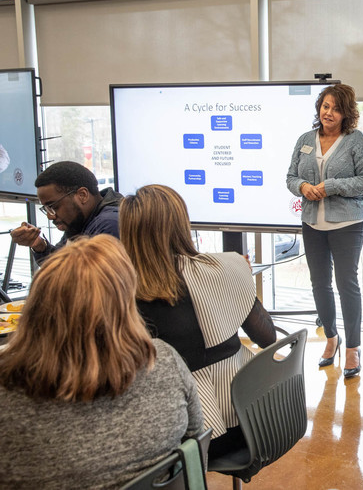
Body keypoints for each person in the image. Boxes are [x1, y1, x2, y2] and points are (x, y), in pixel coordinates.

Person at [0, 235, 204, 489]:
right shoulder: (162, 361)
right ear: (125, 305)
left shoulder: (8, 394)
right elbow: (196, 447)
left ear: (36, 307)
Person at [119, 184, 277, 459]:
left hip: (191, 437)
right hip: (257, 415)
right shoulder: (227, 266)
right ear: (181, 223)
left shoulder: (123, 294)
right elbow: (267, 338)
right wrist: (240, 280)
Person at [286, 83, 363, 379]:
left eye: (336, 108)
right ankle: (331, 338)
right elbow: (291, 176)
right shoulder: (304, 139)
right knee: (319, 284)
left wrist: (332, 186)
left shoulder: (355, 140)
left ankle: (353, 347)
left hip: (347, 224)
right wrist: (302, 187)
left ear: (346, 113)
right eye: (325, 106)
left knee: (346, 283)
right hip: (312, 223)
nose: (329, 112)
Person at [10, 160, 123, 264]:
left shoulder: (109, 224)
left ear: (82, 195)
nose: (50, 216)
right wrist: (39, 244)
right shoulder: (81, 221)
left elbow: (81, 279)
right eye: (47, 209)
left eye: (54, 206)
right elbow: (60, 262)